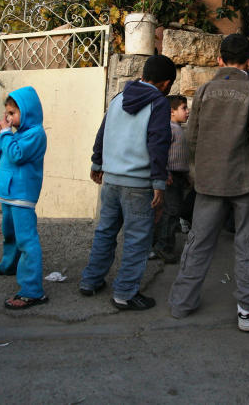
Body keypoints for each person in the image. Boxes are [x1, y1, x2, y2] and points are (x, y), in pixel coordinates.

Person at [169, 34, 249, 332]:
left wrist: (196, 171)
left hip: (210, 180)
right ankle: (248, 309)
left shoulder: (204, 91)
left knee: (198, 241)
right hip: (247, 181)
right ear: (248, 60)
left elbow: (192, 137)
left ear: (219, 60)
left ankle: (182, 302)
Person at [80, 55, 176, 310]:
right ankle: (124, 293)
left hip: (110, 180)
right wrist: (159, 183)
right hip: (138, 184)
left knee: (105, 232)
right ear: (166, 83)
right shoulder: (159, 103)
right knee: (137, 239)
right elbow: (158, 143)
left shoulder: (117, 99)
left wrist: (97, 163)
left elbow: (103, 132)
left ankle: (90, 281)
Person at [0, 86, 48, 309]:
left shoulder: (35, 134)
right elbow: (2, 154)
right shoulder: (16, 134)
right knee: (9, 234)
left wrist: (5, 135)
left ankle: (32, 290)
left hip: (22, 196)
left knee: (26, 240)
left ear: (27, 111)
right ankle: (8, 264)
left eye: (13, 113)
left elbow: (16, 155)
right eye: (8, 114)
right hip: (8, 195)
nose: (9, 118)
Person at [151, 94, 191, 263]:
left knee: (172, 212)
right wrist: (165, 172)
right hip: (170, 177)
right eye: (184, 108)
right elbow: (161, 154)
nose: (187, 111)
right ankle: (163, 247)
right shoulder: (168, 129)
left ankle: (162, 244)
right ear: (171, 111)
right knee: (170, 212)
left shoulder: (178, 128)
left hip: (179, 176)